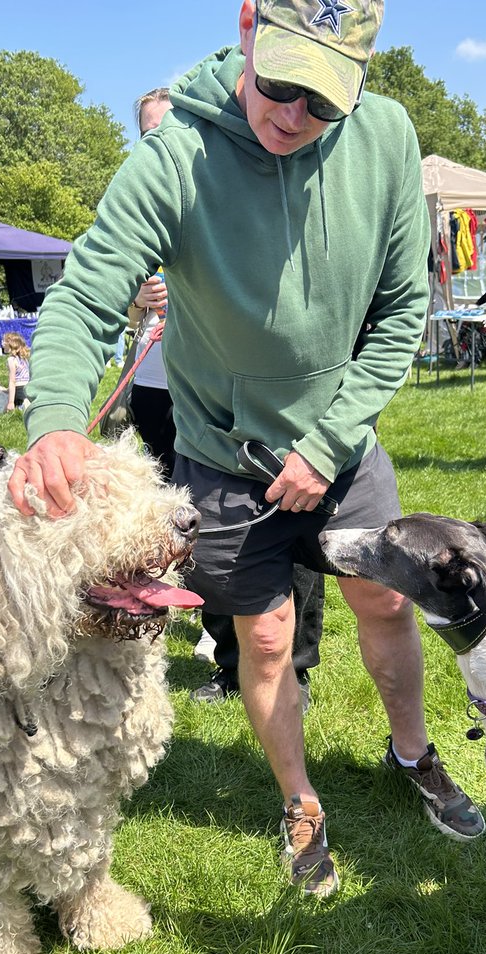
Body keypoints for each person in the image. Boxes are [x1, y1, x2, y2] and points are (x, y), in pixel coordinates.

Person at [8, 0, 485, 898]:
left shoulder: (384, 137)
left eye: (324, 100)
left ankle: (413, 752)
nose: (294, 116)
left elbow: (399, 318)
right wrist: (58, 420)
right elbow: (82, 296)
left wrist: (328, 442)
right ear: (247, 24)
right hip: (225, 459)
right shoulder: (174, 155)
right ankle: (299, 800)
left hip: (341, 447)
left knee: (386, 606)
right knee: (264, 641)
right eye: (279, 85)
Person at [127, 85, 324, 701]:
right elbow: (103, 291)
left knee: (285, 518)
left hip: (241, 398)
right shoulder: (144, 195)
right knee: (194, 528)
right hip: (159, 392)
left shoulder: (229, 191)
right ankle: (222, 643)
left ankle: (295, 661)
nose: (165, 141)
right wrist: (139, 298)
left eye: (173, 127)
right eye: (150, 132)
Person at [1, 331, 31, 412]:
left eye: (4, 341)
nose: (2, 344)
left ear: (11, 345)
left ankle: (21, 404)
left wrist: (10, 402)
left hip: (19, 389)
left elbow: (13, 381)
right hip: (28, 388)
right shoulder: (24, 359)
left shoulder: (11, 360)